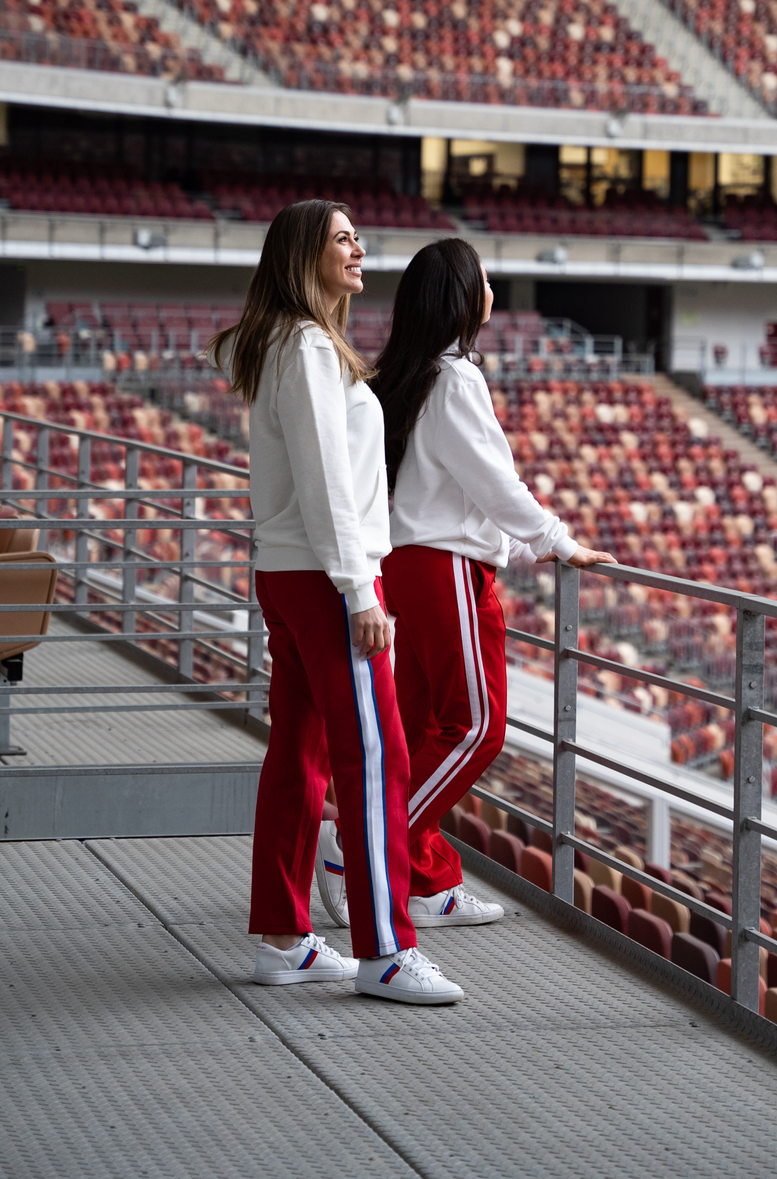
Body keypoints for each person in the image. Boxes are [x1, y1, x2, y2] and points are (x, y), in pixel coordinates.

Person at [316, 237, 613, 933]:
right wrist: (555, 539)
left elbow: (447, 484)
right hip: (441, 568)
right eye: (483, 279)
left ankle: (422, 877)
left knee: (419, 727)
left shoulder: (411, 373)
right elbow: (491, 480)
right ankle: (363, 848)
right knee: (475, 724)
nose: (491, 290)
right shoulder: (455, 377)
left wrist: (515, 543)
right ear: (462, 293)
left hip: (411, 564)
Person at [212, 199, 463, 1004]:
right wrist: (361, 589)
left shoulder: (288, 344)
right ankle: (385, 947)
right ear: (304, 257)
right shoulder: (309, 349)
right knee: (378, 752)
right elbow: (326, 483)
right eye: (342, 238)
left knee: (300, 750)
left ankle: (285, 937)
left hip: (291, 572)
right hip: (327, 578)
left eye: (358, 234)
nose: (360, 248)